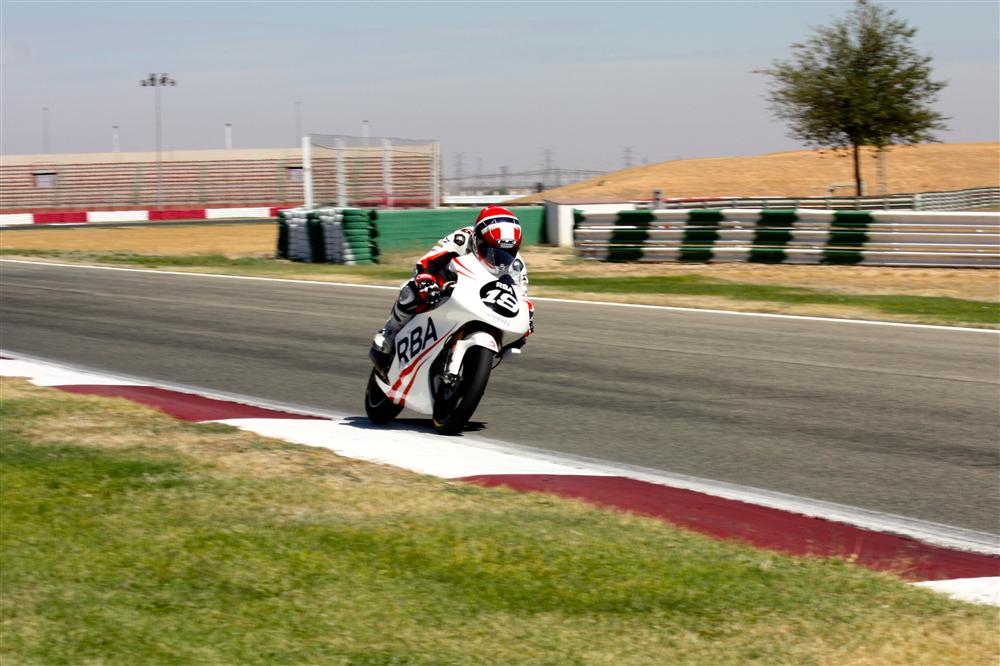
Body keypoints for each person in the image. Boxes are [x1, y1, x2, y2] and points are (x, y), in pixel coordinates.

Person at [369, 206, 533, 380]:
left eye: (507, 253)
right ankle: (388, 334)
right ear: (477, 239)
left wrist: (527, 317)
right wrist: (426, 279)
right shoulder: (461, 239)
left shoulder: (516, 265)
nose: (498, 259)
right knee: (410, 291)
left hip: (484, 301)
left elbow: (521, 296)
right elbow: (428, 261)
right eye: (490, 250)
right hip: (446, 286)